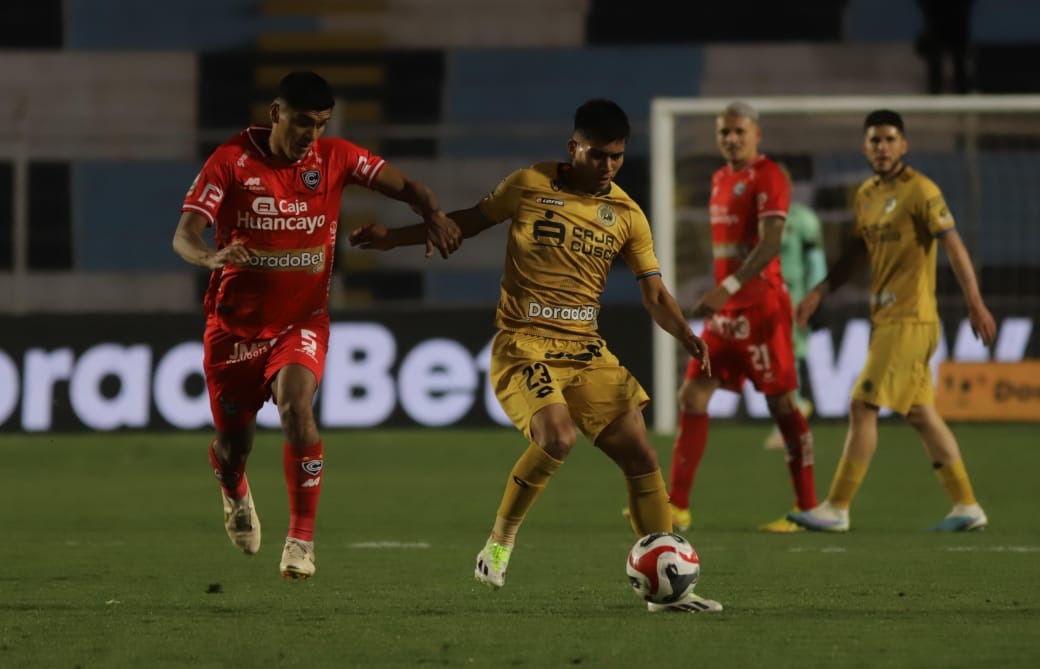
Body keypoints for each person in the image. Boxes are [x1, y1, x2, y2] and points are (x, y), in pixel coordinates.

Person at [350, 99, 723, 613]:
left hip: (587, 351)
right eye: (598, 155)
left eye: (617, 157)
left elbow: (655, 294)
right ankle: (499, 543)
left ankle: (670, 585)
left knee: (641, 454)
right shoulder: (528, 184)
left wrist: (687, 334)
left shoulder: (629, 215)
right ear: (574, 147)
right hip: (524, 343)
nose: (608, 166)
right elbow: (467, 222)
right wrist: (395, 238)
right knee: (558, 436)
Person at [172, 71, 461, 579]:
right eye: (304, 122)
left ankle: (301, 540)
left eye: (321, 124)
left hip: (302, 322)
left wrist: (432, 213)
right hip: (234, 330)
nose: (312, 134)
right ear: (276, 114)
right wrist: (211, 257)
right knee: (234, 444)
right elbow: (184, 235)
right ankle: (232, 483)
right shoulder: (231, 161)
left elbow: (411, 187)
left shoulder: (336, 157)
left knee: (296, 406)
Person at [787, 109, 996, 533]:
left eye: (889, 140)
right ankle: (967, 505)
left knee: (861, 405)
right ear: (865, 148)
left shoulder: (921, 190)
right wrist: (819, 291)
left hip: (911, 318)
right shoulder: (865, 194)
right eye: (874, 141)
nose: (882, 147)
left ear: (903, 145)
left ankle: (837, 506)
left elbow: (953, 246)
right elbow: (855, 255)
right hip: (887, 319)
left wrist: (974, 301)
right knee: (920, 413)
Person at [664, 102, 818, 534]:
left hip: (761, 308)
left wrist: (726, 288)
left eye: (739, 131)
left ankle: (808, 508)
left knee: (782, 404)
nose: (731, 139)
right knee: (692, 397)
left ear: (756, 133)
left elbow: (770, 244)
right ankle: (676, 508)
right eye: (724, 132)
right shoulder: (719, 178)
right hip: (725, 315)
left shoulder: (768, 176)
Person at [762, 166, 827, 450]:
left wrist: (814, 296)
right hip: (763, 298)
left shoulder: (803, 220)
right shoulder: (758, 220)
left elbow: (816, 262)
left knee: (787, 358)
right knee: (774, 361)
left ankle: (794, 417)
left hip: (793, 298)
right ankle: (792, 418)